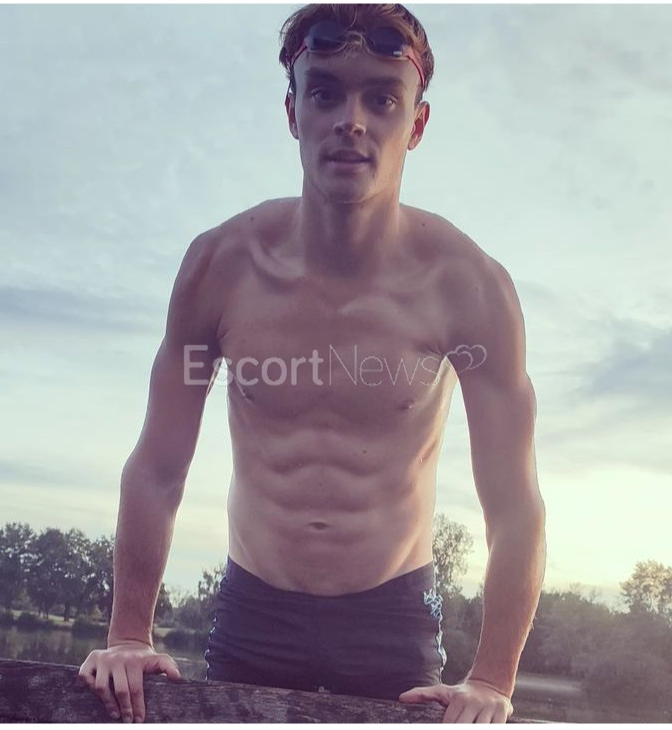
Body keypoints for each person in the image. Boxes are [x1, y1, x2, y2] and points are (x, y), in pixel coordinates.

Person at [78, 3, 546, 724]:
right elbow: (159, 467)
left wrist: (492, 678)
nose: (351, 121)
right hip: (255, 607)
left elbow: (513, 505)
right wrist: (128, 636)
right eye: (325, 92)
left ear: (416, 124)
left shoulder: (468, 287)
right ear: (294, 112)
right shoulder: (219, 267)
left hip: (392, 614)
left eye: (382, 99)